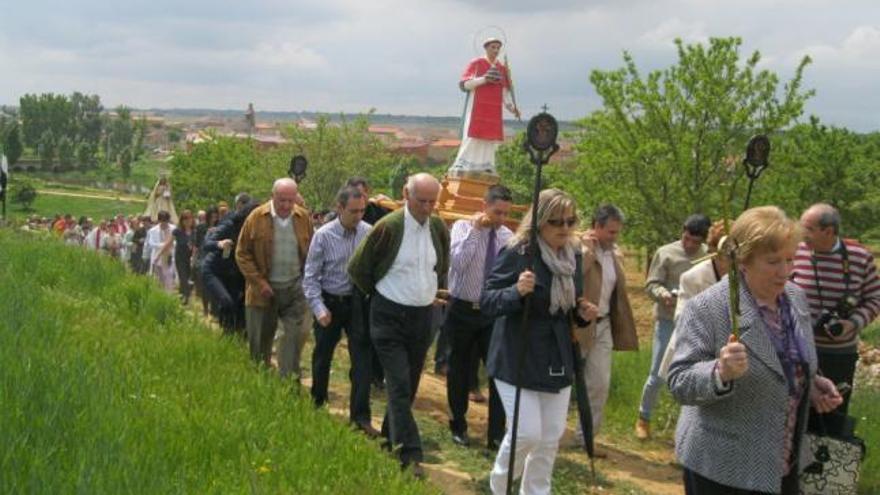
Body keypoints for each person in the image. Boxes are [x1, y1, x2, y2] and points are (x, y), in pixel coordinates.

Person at [668, 206, 843, 494]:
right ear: (743, 261)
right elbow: (680, 383)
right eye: (773, 262)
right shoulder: (709, 308)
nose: (785, 272)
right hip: (723, 466)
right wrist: (720, 371)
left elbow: (785, 362)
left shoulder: (795, 298)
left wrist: (811, 385)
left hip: (783, 461)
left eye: (790, 260)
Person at [481, 188, 595, 495]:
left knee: (549, 439)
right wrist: (516, 292)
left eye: (571, 221)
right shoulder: (519, 252)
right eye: (557, 221)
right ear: (540, 221)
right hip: (517, 354)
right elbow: (488, 301)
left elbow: (569, 306)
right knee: (525, 433)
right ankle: (499, 487)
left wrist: (582, 313)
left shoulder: (573, 255)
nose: (565, 228)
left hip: (557, 356)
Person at [347, 173, 450, 477]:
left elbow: (439, 267)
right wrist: (381, 297)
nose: (428, 207)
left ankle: (390, 441)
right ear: (407, 194)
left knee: (410, 385)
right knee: (399, 383)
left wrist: (427, 292)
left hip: (422, 318)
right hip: (388, 316)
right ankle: (410, 454)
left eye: (433, 201)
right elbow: (359, 269)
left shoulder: (437, 227)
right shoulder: (388, 227)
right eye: (422, 201)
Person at [792, 203, 880, 421]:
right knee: (795, 417)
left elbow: (876, 297)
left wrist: (854, 324)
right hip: (798, 352)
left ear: (828, 231)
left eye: (808, 229)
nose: (802, 234)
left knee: (831, 417)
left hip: (838, 354)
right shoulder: (795, 251)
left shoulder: (859, 257)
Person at [302, 186, 377, 436]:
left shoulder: (369, 233)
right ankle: (318, 403)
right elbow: (310, 277)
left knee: (362, 360)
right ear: (340, 208)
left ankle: (360, 417)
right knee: (323, 356)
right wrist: (319, 308)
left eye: (362, 211)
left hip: (357, 304)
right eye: (353, 211)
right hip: (330, 302)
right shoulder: (323, 236)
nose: (358, 216)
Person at [445, 184, 514, 449]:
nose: (500, 219)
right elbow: (458, 264)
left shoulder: (507, 237)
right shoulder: (463, 228)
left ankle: (496, 434)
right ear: (484, 207)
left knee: (496, 372)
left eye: (505, 214)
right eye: (496, 212)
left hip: (491, 313)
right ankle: (458, 425)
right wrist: (476, 231)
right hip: (461, 308)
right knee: (459, 369)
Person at [635, 213, 710, 439]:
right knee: (658, 373)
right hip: (668, 320)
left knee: (693, 375)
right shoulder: (666, 252)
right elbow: (651, 284)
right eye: (686, 238)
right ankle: (643, 418)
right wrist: (663, 294)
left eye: (695, 242)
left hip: (697, 322)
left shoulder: (709, 257)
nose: (689, 245)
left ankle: (687, 428)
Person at [236, 178, 313, 380]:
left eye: (290, 200)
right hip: (262, 292)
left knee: (292, 341)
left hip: (294, 289)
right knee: (259, 349)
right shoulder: (256, 217)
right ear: (273, 197)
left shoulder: (303, 218)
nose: (286, 205)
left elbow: (312, 253)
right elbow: (242, 253)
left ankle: (288, 388)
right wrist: (259, 282)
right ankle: (260, 389)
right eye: (282, 200)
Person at [573, 204, 638, 443]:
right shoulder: (577, 246)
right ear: (596, 227)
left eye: (617, 232)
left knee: (599, 383)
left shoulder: (615, 253)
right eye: (611, 232)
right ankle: (549, 433)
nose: (615, 237)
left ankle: (586, 437)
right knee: (562, 380)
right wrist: (588, 253)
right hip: (577, 325)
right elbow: (572, 278)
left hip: (604, 325)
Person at [659, 220, 729, 379]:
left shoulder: (743, 276)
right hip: (695, 354)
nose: (730, 256)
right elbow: (682, 318)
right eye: (724, 251)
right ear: (712, 250)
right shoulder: (692, 278)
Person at [449, 37, 520, 176]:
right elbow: (465, 84)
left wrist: (512, 108)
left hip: (493, 110)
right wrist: (484, 79)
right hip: (477, 107)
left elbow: (504, 94)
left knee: (489, 138)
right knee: (473, 134)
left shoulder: (501, 68)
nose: (496, 50)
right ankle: (463, 163)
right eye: (493, 47)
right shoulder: (477, 63)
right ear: (486, 48)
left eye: (498, 48)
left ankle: (486, 165)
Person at [202, 202, 257, 335]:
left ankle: (233, 337)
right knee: (226, 302)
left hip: (233, 273)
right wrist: (219, 244)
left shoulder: (256, 230)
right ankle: (226, 337)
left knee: (239, 306)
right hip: (213, 270)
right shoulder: (229, 225)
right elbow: (206, 244)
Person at [145, 210, 177, 293]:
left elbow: (176, 242)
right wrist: (164, 245)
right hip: (157, 257)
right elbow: (151, 243)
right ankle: (160, 294)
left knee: (169, 277)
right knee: (159, 278)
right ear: (159, 221)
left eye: (166, 221)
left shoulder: (174, 229)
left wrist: (169, 245)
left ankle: (168, 294)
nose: (164, 224)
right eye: (162, 221)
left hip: (169, 256)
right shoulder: (152, 231)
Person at [173, 209, 196, 305]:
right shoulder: (177, 231)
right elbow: (169, 243)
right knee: (183, 278)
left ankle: (183, 295)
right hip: (180, 258)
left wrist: (194, 256)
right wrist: (159, 254)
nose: (187, 221)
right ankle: (184, 299)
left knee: (189, 279)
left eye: (189, 218)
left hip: (190, 258)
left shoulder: (195, 232)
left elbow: (196, 246)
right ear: (181, 220)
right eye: (185, 219)